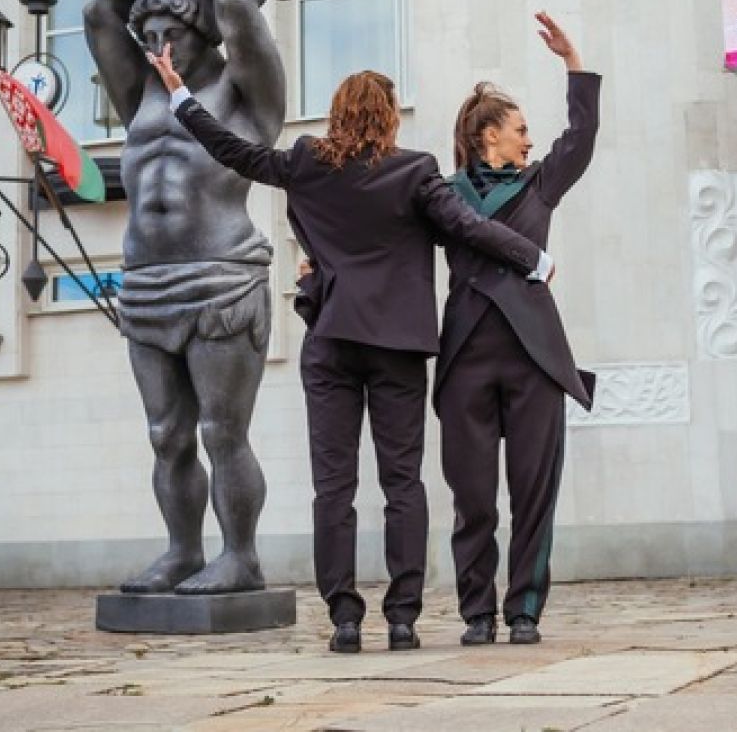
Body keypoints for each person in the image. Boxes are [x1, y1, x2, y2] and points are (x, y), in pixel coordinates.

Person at [147, 45, 552, 654]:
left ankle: (343, 618)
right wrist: (533, 257)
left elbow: (235, 151)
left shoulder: (307, 162)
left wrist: (181, 95)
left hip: (332, 342)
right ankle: (403, 619)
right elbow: (468, 228)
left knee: (333, 487)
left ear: (338, 113)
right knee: (402, 485)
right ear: (388, 117)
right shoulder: (415, 172)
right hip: (396, 350)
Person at [83, 0, 299, 595]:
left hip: (220, 278)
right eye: (147, 34)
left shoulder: (244, 94)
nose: (157, 46)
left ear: (204, 34)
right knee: (166, 435)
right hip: (148, 281)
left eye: (171, 31)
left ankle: (240, 556)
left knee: (221, 430)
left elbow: (233, 2)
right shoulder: (141, 93)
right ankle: (182, 552)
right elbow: (100, 11)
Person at [434, 12, 600, 646]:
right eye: (521, 130)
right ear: (487, 137)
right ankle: (477, 612)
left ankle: (525, 608)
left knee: (534, 494)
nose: (530, 140)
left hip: (535, 362)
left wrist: (573, 62)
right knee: (473, 501)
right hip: (465, 363)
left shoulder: (540, 183)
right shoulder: (440, 191)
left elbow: (580, 138)